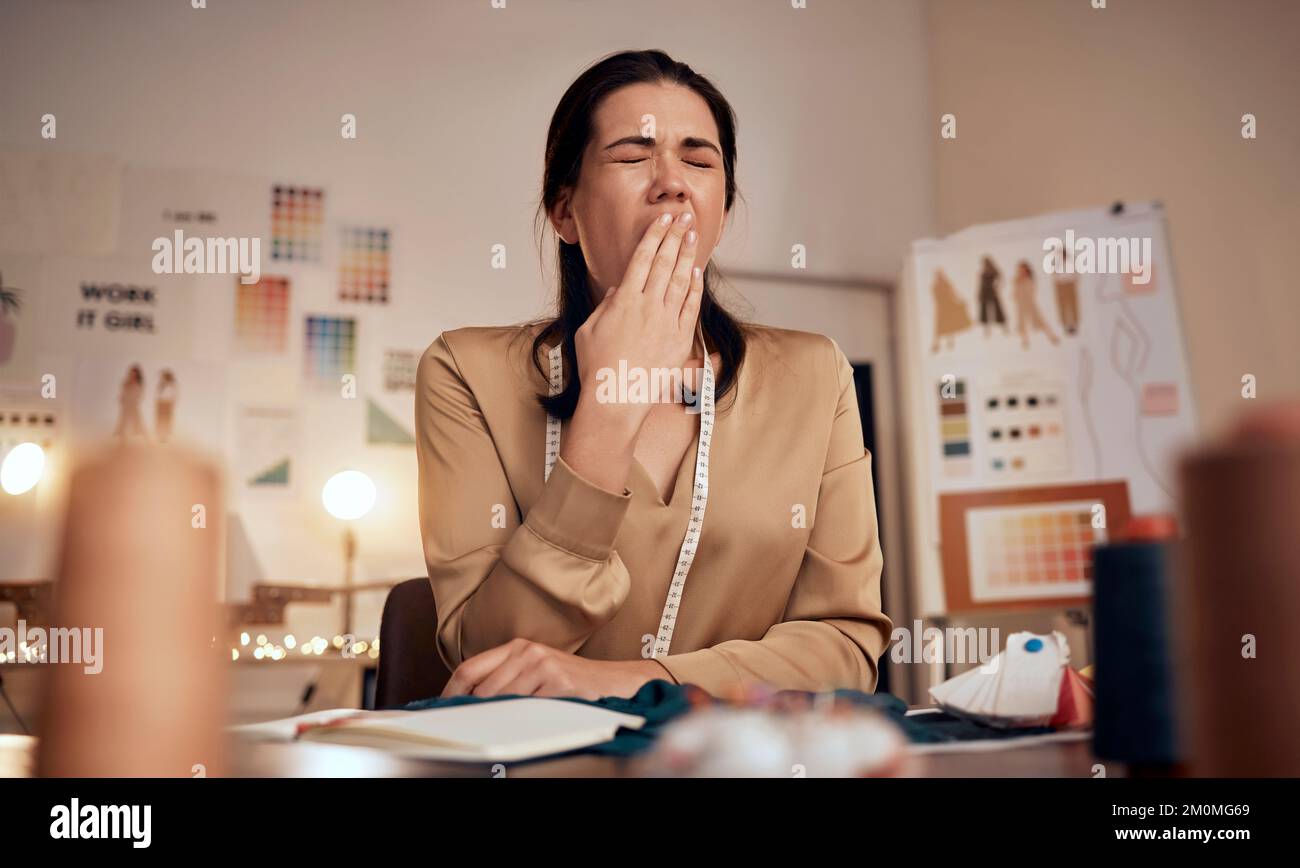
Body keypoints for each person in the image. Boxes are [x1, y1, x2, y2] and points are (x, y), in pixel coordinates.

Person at [416, 50, 891, 701]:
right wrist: (611, 406)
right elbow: (490, 665)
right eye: (632, 157)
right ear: (564, 212)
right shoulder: (464, 371)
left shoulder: (815, 374)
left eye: (699, 161)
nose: (672, 182)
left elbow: (844, 647)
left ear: (720, 210)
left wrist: (638, 682)